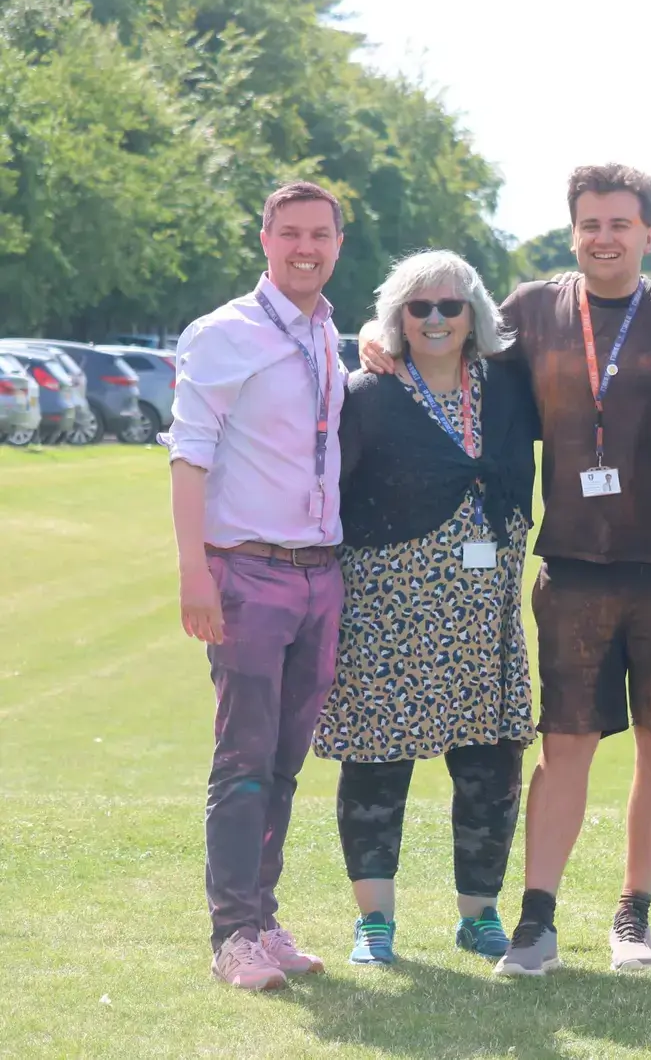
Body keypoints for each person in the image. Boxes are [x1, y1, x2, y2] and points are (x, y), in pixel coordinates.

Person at [356, 163, 651, 977]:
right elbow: (450, 340)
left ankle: (632, 916)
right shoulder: (536, 309)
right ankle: (537, 919)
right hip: (571, 566)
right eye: (590, 224)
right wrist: (377, 337)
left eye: (621, 223)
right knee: (565, 739)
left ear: (650, 233)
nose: (604, 237)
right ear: (573, 231)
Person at [315, 250, 537, 967]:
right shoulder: (368, 393)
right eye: (420, 308)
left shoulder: (508, 386)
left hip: (485, 615)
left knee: (489, 767)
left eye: (451, 305)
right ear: (397, 317)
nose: (436, 319)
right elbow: (329, 490)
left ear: (475, 312)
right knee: (377, 763)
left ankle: (479, 916)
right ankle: (374, 922)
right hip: (387, 609)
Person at [164, 181, 347, 990]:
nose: (305, 248)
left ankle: (264, 917)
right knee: (242, 759)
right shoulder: (224, 334)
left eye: (320, 235)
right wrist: (194, 571)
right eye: (291, 234)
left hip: (318, 574)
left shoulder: (328, 332)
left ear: (338, 243)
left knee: (284, 760)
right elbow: (188, 455)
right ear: (265, 240)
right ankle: (231, 932)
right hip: (246, 572)